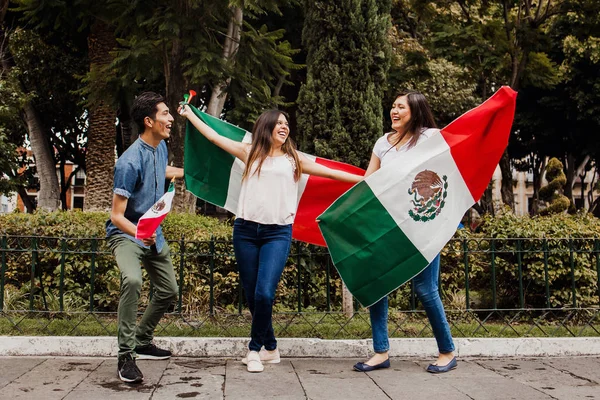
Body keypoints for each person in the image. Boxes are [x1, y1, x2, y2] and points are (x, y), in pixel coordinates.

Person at [178, 105, 363, 373]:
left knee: (265, 293)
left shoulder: (293, 159)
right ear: (266, 127)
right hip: (245, 231)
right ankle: (272, 348)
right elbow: (213, 138)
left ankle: (254, 349)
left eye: (286, 123)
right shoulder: (250, 153)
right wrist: (190, 114)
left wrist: (364, 178)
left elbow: (331, 173)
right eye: (278, 123)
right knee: (253, 295)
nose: (284, 126)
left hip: (277, 233)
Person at [352, 90, 457, 374]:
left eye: (401, 107)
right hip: (388, 226)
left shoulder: (428, 138)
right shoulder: (382, 144)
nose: (394, 111)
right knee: (377, 287)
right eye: (393, 106)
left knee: (425, 289)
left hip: (422, 226)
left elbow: (460, 141)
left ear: (415, 111)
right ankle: (380, 352)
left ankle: (447, 351)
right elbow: (368, 181)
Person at [106, 92, 184, 383]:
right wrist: (140, 233)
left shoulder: (160, 146)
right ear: (149, 121)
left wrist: (188, 173)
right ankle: (126, 355)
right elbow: (116, 215)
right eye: (165, 114)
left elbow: (160, 170)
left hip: (153, 233)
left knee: (169, 290)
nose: (170, 118)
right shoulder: (128, 162)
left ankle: (142, 339)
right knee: (133, 280)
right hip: (126, 234)